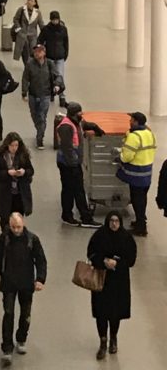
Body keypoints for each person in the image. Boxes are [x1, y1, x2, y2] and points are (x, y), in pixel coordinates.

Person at [0, 213, 47, 367]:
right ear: (9, 225)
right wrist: (3, 272)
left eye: (19, 227)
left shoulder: (32, 240)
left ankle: (21, 338)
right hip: (9, 283)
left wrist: (40, 279)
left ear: (24, 224)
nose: (16, 230)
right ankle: (7, 347)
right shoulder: (3, 239)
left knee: (25, 313)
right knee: (8, 313)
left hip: (26, 284)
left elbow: (41, 260)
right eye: (13, 227)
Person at [86, 210, 137, 359]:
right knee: (101, 313)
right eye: (111, 221)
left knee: (116, 313)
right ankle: (102, 341)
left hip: (119, 282)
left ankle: (113, 338)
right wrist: (103, 262)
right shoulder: (99, 236)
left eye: (116, 221)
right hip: (101, 280)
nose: (114, 224)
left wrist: (118, 263)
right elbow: (91, 253)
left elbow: (131, 259)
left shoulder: (126, 238)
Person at [56, 101, 102, 226]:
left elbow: (85, 124)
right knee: (76, 191)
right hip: (68, 165)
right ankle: (85, 218)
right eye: (80, 112)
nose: (82, 114)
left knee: (69, 190)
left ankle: (67, 215)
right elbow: (67, 149)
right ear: (74, 114)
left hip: (71, 163)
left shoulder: (76, 122)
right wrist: (74, 164)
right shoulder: (66, 127)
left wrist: (95, 128)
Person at [115, 111, 157, 236]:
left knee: (137, 200)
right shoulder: (149, 133)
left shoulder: (134, 137)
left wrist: (119, 157)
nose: (129, 122)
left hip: (136, 174)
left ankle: (140, 228)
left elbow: (127, 157)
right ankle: (140, 221)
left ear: (136, 122)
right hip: (147, 173)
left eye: (131, 121)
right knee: (142, 199)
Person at [20, 43, 62, 148]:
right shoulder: (30, 64)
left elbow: (57, 76)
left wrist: (57, 85)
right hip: (33, 95)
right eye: (35, 51)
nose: (37, 53)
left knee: (42, 116)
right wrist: (24, 92)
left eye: (39, 51)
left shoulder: (49, 64)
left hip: (45, 95)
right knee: (35, 115)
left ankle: (40, 138)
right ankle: (39, 130)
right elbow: (25, 78)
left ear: (44, 53)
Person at [0, 133, 35, 230]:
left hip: (19, 194)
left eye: (16, 145)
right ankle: (6, 238)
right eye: (12, 145)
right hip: (5, 193)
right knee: (5, 219)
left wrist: (24, 172)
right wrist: (7, 173)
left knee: (18, 218)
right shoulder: (0, 156)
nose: (14, 148)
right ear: (7, 145)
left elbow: (30, 170)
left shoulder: (23, 155)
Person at [37, 11, 69, 108]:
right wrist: (41, 51)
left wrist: (65, 54)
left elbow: (66, 43)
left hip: (60, 57)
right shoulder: (46, 30)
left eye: (57, 19)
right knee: (49, 76)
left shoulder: (63, 29)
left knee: (60, 76)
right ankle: (51, 93)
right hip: (49, 57)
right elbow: (40, 40)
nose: (55, 21)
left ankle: (62, 97)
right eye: (53, 19)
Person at [11, 0, 42, 64]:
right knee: (24, 51)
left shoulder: (37, 13)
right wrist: (19, 28)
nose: (29, 2)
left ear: (35, 3)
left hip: (32, 35)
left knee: (33, 51)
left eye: (31, 1)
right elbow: (15, 19)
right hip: (22, 34)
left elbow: (41, 24)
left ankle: (31, 64)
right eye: (28, 0)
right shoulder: (21, 9)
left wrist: (45, 33)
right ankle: (27, 65)